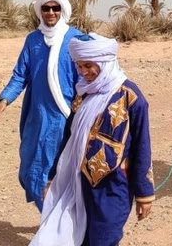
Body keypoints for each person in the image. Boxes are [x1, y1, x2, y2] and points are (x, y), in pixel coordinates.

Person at [30, 33, 155, 246]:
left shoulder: (130, 97)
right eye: (79, 66)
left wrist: (144, 193)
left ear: (104, 62)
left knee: (105, 238)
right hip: (79, 182)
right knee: (80, 238)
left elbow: (142, 146)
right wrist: (53, 178)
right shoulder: (83, 94)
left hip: (113, 186)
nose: (83, 72)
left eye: (88, 66)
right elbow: (68, 139)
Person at [0, 0, 83, 211]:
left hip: (64, 117)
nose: (50, 12)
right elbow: (20, 74)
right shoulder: (33, 40)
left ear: (62, 10)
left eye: (55, 8)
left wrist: (81, 99)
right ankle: (53, 218)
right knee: (29, 169)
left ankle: (54, 221)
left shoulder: (76, 39)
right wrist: (4, 100)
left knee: (51, 170)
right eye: (46, 8)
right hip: (36, 114)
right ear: (39, 11)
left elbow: (86, 75)